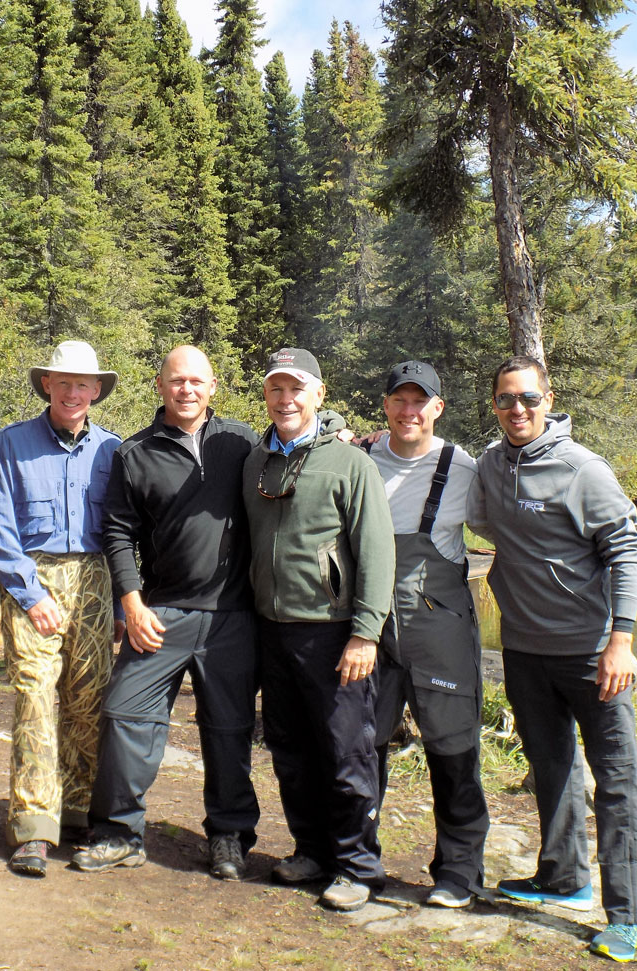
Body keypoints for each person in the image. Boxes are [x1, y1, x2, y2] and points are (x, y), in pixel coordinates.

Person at [468, 355, 637, 963]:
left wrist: (621, 641)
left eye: (528, 399)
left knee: (618, 780)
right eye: (504, 400)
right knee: (552, 766)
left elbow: (627, 552)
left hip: (592, 655)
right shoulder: (493, 465)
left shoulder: (583, 470)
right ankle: (564, 877)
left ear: (548, 400)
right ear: (493, 405)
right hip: (523, 650)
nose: (517, 410)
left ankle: (627, 915)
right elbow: (483, 522)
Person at [72, 345, 260, 880]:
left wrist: (349, 438)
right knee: (124, 713)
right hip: (160, 613)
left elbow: (299, 454)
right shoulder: (134, 454)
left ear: (214, 386)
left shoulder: (242, 444)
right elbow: (117, 531)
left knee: (228, 728)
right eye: (177, 381)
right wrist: (130, 601)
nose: (187, 390)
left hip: (232, 616)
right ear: (160, 385)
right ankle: (117, 832)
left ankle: (228, 835)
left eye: (197, 381)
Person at [243, 347, 394, 912]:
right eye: (276, 389)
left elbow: (376, 552)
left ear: (318, 395)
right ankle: (311, 850)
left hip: (333, 633)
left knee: (346, 751)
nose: (286, 400)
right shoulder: (257, 463)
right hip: (272, 628)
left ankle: (358, 865)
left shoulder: (351, 464)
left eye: (297, 389)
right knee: (290, 747)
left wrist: (366, 632)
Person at [0, 340, 121, 877]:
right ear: (47, 385)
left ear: (96, 391)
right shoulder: (12, 445)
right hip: (32, 580)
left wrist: (118, 603)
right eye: (62, 382)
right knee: (34, 701)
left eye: (82, 384)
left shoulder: (112, 450)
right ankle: (34, 826)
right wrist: (30, 594)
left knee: (88, 702)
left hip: (94, 582)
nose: (72, 392)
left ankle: (80, 811)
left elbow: (121, 531)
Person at [367, 361, 488, 909]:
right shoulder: (360, 459)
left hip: (440, 629)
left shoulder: (464, 468)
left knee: (452, 745)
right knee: (361, 744)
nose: (409, 411)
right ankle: (355, 858)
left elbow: (514, 525)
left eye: (421, 401)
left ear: (438, 408)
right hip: (369, 629)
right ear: (386, 405)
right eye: (400, 400)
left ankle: (458, 871)